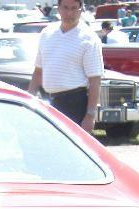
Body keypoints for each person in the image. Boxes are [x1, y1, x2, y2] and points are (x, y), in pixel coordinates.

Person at [28, 0, 103, 134]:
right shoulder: (47, 33)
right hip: (47, 102)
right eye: (66, 8)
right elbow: (38, 71)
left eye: (74, 8)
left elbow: (95, 80)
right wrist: (29, 100)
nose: (69, 13)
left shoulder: (89, 38)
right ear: (59, 9)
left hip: (74, 104)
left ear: (81, 10)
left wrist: (90, 115)